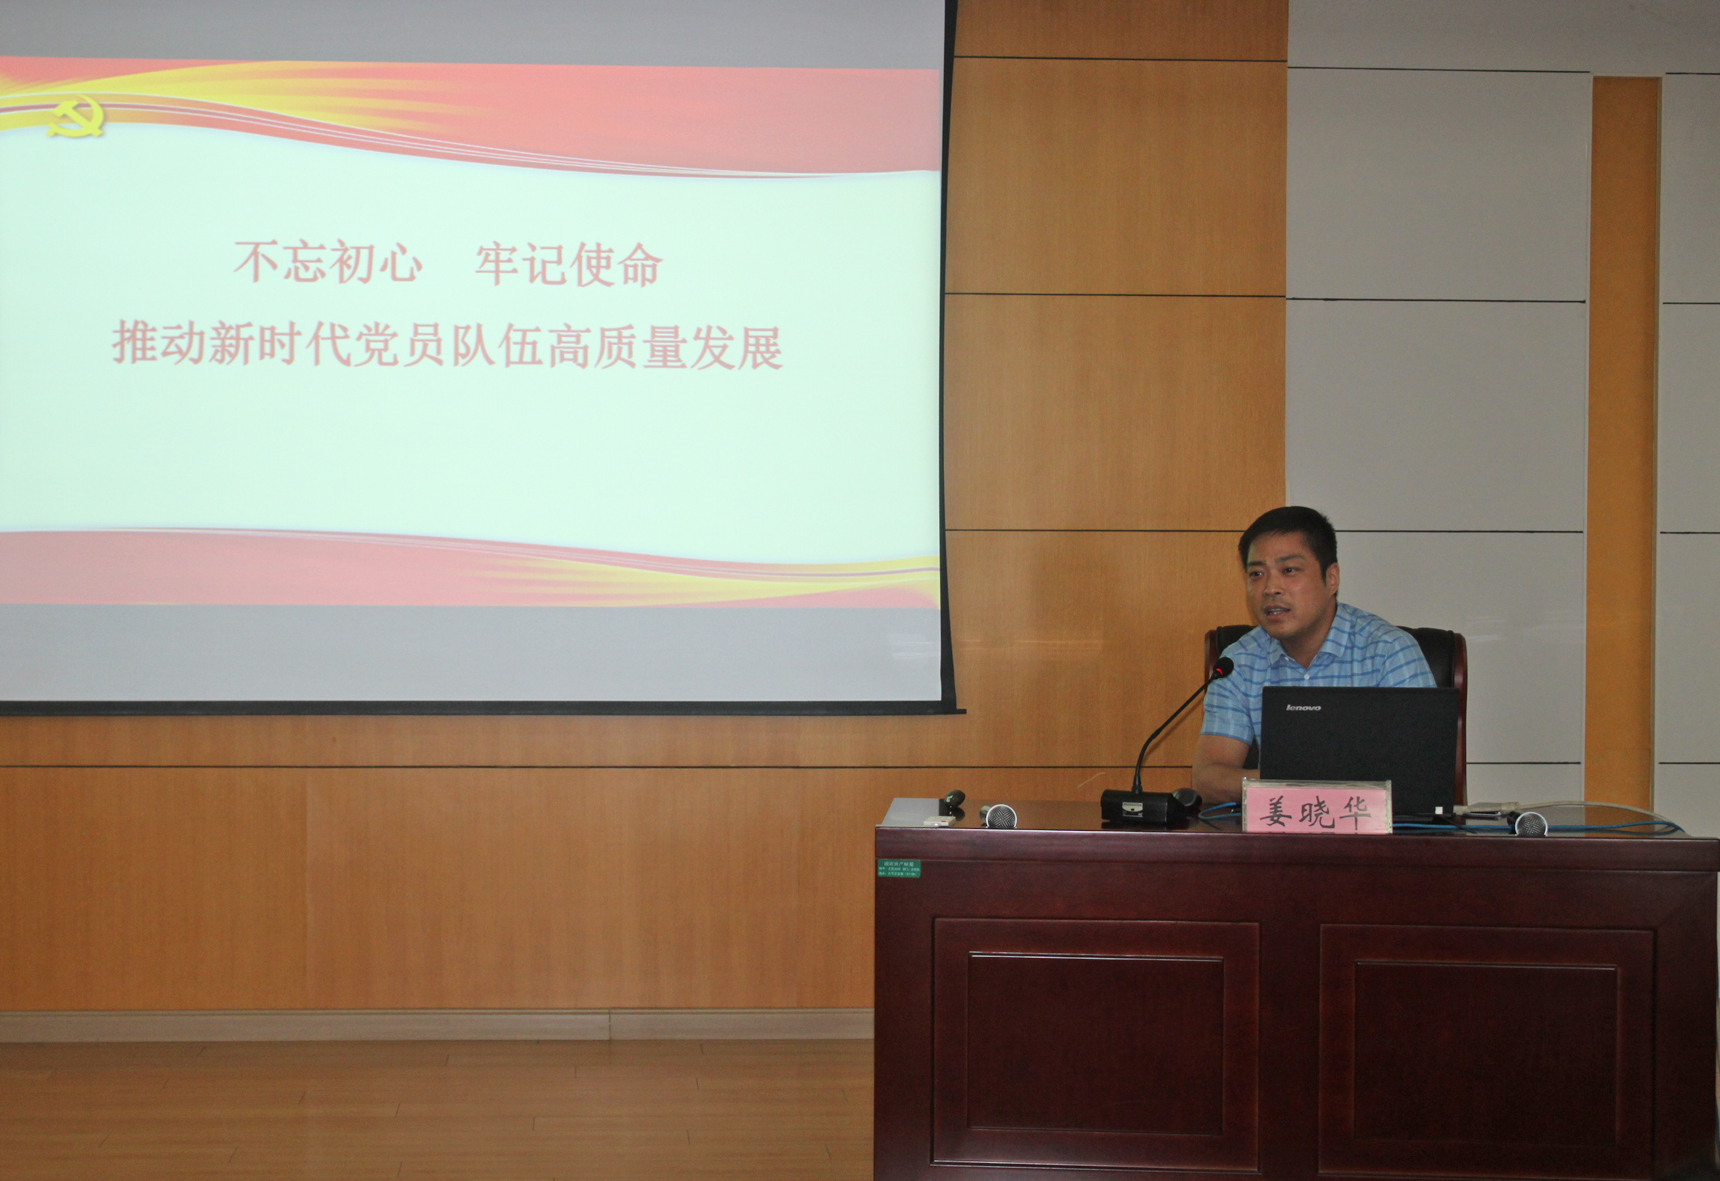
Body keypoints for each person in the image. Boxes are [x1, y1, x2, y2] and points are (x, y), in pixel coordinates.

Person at [1192, 505, 1434, 804]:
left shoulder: (1389, 652)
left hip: (1370, 830)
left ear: (1331, 579)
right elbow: (1208, 778)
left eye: (1289, 570)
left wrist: (1291, 783)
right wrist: (1298, 782)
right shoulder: (1238, 662)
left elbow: (1422, 775)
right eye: (1257, 574)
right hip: (1276, 829)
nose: (1270, 588)